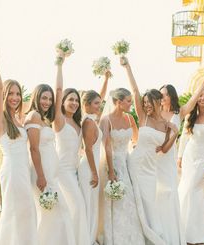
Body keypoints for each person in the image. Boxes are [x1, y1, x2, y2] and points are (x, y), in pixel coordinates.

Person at [0, 36, 38, 245]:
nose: (15, 97)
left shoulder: (18, 118)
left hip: (23, 170)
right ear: (4, 95)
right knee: (14, 215)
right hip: (13, 172)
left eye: (18, 93)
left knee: (24, 214)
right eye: (11, 93)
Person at [121, 57, 178, 244]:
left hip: (151, 169)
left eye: (148, 102)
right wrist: (128, 66)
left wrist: (174, 134)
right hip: (136, 164)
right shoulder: (142, 117)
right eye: (144, 102)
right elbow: (135, 91)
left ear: (158, 102)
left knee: (148, 203)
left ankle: (150, 236)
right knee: (135, 200)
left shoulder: (166, 124)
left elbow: (163, 150)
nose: (145, 105)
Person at [25, 84, 76, 245]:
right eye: (44, 98)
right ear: (36, 97)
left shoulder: (43, 118)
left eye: (49, 99)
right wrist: (41, 176)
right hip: (42, 174)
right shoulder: (34, 116)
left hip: (50, 174)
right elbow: (33, 148)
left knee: (51, 215)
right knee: (58, 213)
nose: (47, 102)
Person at [99, 87, 145, 245]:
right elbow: (106, 146)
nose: (130, 104)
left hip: (128, 162)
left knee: (131, 198)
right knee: (118, 200)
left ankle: (133, 236)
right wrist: (111, 171)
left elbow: (137, 139)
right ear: (118, 102)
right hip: (113, 163)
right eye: (128, 101)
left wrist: (135, 156)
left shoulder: (129, 118)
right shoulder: (106, 120)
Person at [54, 51, 90, 245]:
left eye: (76, 100)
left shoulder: (78, 123)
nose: (74, 103)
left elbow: (97, 102)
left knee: (72, 208)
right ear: (63, 102)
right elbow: (58, 90)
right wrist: (60, 62)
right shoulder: (59, 120)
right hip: (61, 170)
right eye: (71, 99)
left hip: (74, 171)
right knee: (77, 206)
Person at [178, 87, 204, 244]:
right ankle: (184, 227)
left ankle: (193, 231)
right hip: (189, 157)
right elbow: (184, 138)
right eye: (200, 95)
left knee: (191, 189)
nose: (203, 98)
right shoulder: (190, 116)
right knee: (189, 190)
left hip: (203, 159)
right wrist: (179, 157)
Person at [78, 71, 110, 245]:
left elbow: (101, 95)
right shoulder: (89, 122)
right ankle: (87, 240)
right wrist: (94, 173)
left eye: (100, 103)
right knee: (89, 205)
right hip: (89, 170)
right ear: (88, 105)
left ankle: (89, 237)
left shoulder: (90, 118)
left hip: (91, 168)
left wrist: (105, 79)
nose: (100, 105)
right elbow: (88, 149)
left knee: (91, 204)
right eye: (97, 103)